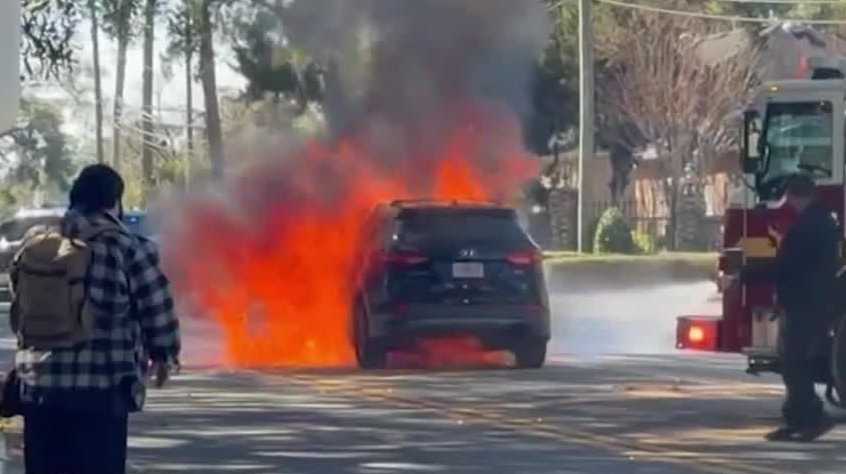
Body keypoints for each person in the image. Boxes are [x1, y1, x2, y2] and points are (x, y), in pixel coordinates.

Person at [13, 164, 181, 473]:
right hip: (103, 391)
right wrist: (163, 354)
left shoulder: (35, 246)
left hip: (40, 389)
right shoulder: (126, 246)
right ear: (114, 203)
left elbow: (20, 310)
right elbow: (156, 305)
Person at [766, 173, 839, 442]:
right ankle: (797, 420)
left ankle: (810, 418)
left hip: (804, 304)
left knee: (795, 364)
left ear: (795, 195)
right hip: (810, 302)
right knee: (794, 363)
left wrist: (744, 274)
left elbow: (789, 266)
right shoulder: (821, 220)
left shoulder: (809, 224)